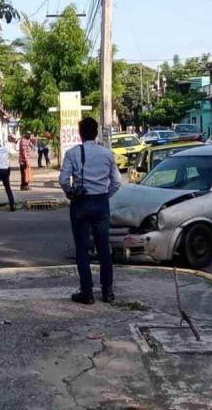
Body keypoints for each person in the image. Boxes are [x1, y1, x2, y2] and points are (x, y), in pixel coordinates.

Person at [59, 117, 121, 305]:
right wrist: (104, 195)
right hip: (101, 203)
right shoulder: (107, 154)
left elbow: (63, 179)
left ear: (80, 133)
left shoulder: (72, 153)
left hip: (81, 204)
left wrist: (70, 192)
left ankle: (87, 292)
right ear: (96, 132)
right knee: (104, 249)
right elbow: (117, 182)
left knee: (82, 249)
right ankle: (107, 291)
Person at [0, 134, 15, 212]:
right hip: (6, 170)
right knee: (8, 189)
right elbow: (8, 158)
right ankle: (12, 205)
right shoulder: (5, 148)